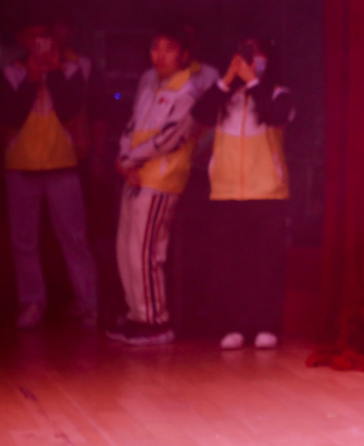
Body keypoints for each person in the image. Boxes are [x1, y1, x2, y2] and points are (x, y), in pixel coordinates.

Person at [106, 25, 218, 345]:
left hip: (162, 179)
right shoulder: (149, 88)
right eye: (156, 47)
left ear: (184, 54)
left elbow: (171, 137)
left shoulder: (188, 93)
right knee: (126, 250)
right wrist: (123, 158)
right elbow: (131, 128)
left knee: (146, 252)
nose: (160, 55)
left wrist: (130, 159)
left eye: (169, 48)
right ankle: (137, 314)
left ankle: (155, 321)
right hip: (136, 175)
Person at [191, 38, 295, 350]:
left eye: (257, 56)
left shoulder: (278, 93)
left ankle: (266, 326)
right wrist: (226, 80)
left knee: (266, 264)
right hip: (225, 191)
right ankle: (233, 325)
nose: (251, 62)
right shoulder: (226, 97)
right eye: (245, 56)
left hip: (267, 191)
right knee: (228, 264)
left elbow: (276, 115)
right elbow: (199, 113)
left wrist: (252, 82)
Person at [1, 23, 98, 329]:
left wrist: (54, 71)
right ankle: (32, 302)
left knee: (74, 237)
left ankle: (89, 304)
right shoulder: (10, 71)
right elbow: (11, 115)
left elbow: (71, 110)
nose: (39, 42)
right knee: (24, 241)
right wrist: (32, 76)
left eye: (44, 35)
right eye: (32, 35)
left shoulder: (74, 68)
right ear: (21, 39)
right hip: (21, 163)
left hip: (63, 162)